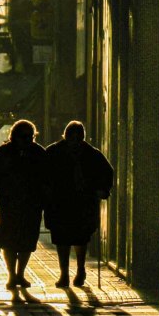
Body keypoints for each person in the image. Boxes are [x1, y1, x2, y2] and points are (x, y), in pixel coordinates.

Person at [0, 119, 47, 296]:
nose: (26, 139)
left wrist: (46, 202)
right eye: (23, 136)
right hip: (9, 204)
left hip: (32, 205)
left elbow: (47, 180)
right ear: (14, 136)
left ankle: (20, 273)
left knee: (27, 241)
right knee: (9, 241)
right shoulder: (3, 153)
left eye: (30, 136)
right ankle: (12, 275)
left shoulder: (38, 153)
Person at [44, 121, 113, 287]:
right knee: (62, 239)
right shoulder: (54, 152)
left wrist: (102, 189)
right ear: (65, 136)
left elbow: (107, 172)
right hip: (60, 203)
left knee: (80, 238)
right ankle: (64, 274)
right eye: (71, 137)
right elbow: (42, 172)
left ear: (82, 137)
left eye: (78, 137)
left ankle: (80, 270)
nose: (75, 140)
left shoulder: (92, 154)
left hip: (83, 203)